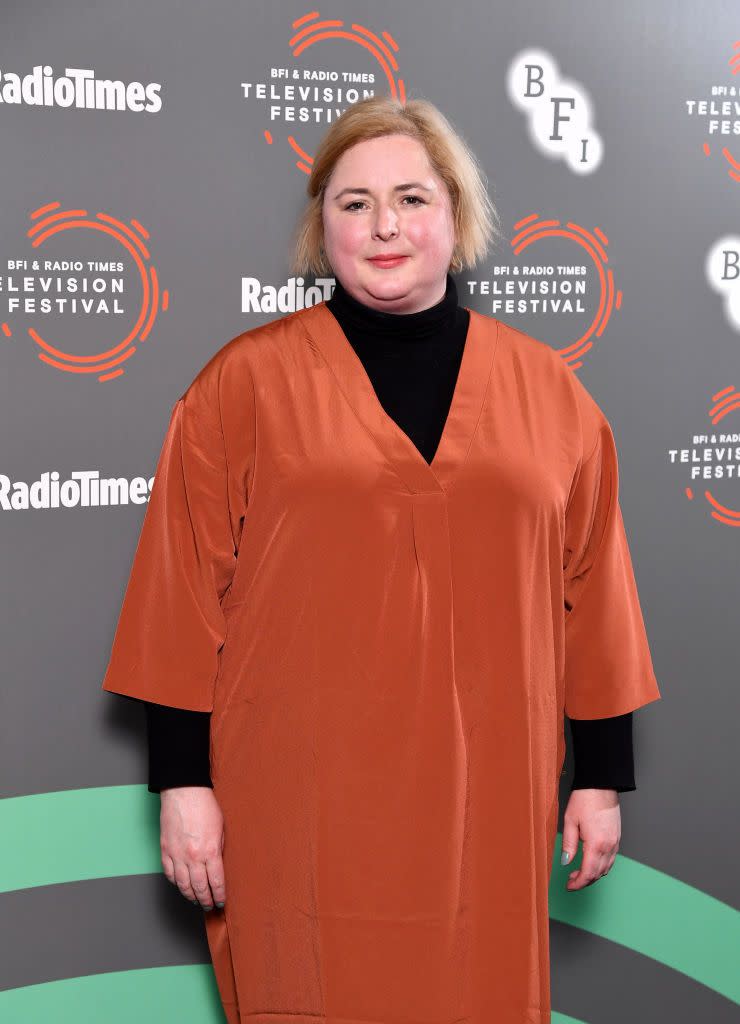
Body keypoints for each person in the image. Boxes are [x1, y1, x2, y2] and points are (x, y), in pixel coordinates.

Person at [101, 93, 661, 1024]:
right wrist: (183, 783)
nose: (384, 226)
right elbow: (179, 591)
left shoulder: (549, 393)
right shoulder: (243, 382)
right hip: (294, 794)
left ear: (456, 212)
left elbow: (595, 590)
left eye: (411, 197)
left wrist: (601, 776)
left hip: (492, 795)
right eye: (353, 203)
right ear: (322, 226)